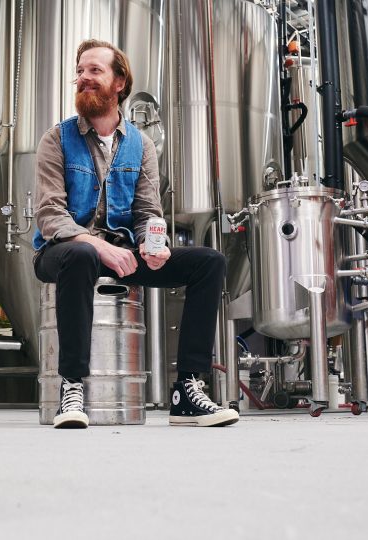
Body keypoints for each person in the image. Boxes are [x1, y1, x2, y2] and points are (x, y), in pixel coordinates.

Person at [32, 39, 238, 429]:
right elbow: (49, 215)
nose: (83, 79)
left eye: (94, 71)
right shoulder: (56, 139)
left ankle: (188, 390)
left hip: (124, 251)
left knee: (209, 263)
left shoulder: (141, 145)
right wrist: (96, 245)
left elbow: (147, 212)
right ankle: (72, 387)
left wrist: (152, 244)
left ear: (120, 82)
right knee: (83, 255)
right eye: (79, 71)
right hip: (61, 252)